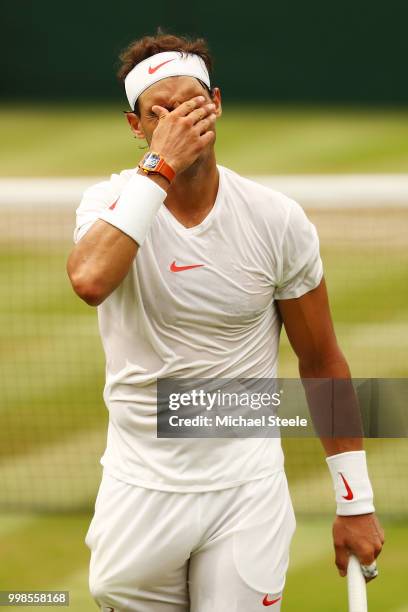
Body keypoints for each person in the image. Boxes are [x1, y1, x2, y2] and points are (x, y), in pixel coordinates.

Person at [67, 31, 384, 612]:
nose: (176, 120)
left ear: (216, 103)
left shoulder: (276, 219)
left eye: (189, 102)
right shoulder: (107, 205)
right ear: (135, 127)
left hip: (247, 491)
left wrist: (354, 500)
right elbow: (89, 280)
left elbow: (322, 361)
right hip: (138, 493)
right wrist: (161, 167)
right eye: (157, 113)